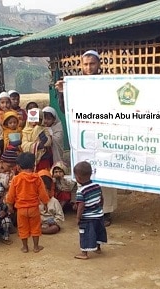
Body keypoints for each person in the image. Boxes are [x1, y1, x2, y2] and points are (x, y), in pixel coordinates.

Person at [55, 50, 117, 226]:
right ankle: (87, 206)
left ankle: (106, 212)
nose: (89, 67)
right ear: (81, 66)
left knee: (105, 169)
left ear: (99, 65)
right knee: (85, 169)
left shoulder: (107, 84)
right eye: (86, 64)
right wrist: (62, 92)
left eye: (92, 64)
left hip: (104, 132)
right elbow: (66, 108)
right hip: (84, 135)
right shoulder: (76, 85)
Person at [6, 152, 49, 253]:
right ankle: (36, 247)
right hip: (34, 208)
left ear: (18, 167)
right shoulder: (37, 178)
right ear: (34, 166)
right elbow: (42, 193)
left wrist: (9, 205)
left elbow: (11, 195)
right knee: (35, 227)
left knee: (22, 228)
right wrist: (46, 203)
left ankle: (25, 247)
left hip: (21, 209)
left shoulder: (16, 179)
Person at [73, 161, 107, 260]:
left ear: (78, 178)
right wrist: (100, 208)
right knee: (98, 231)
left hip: (87, 218)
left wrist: (78, 218)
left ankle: (84, 253)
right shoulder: (97, 185)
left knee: (85, 234)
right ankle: (98, 248)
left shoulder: (81, 191)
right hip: (99, 215)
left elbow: (81, 206)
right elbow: (101, 198)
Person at [38, 170, 64, 234]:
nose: (44, 193)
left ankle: (40, 231)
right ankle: (38, 230)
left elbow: (60, 216)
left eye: (46, 190)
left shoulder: (54, 201)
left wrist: (52, 221)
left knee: (54, 228)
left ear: (50, 190)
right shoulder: (35, 200)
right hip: (39, 223)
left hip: (51, 223)